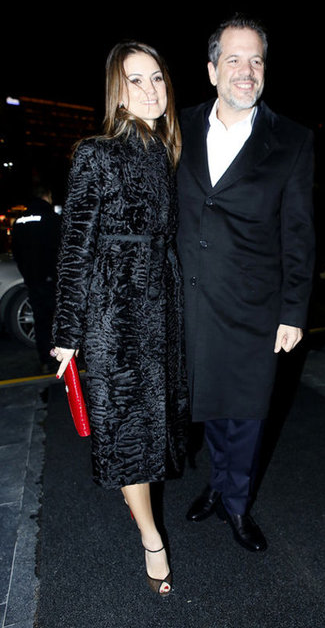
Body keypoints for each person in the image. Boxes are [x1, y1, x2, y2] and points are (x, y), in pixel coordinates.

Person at [51, 41, 188, 596]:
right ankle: (152, 539)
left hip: (161, 309)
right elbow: (75, 246)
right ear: (118, 90)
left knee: (154, 428)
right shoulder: (97, 153)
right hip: (115, 313)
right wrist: (67, 334)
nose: (151, 90)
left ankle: (141, 505)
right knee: (131, 433)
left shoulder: (166, 153)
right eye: (137, 80)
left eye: (157, 78)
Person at [176, 15, 315, 552]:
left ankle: (235, 502)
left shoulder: (292, 140)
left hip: (257, 305)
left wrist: (293, 310)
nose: (246, 71)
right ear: (212, 70)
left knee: (248, 411)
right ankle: (217, 482)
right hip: (191, 300)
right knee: (209, 403)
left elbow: (298, 233)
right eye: (233, 59)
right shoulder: (178, 127)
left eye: (256, 60)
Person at [11, 185, 61, 373]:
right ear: (47, 196)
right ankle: (62, 358)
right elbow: (61, 248)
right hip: (52, 278)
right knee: (57, 319)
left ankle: (46, 359)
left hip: (33, 279)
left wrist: (27, 273)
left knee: (41, 321)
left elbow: (16, 251)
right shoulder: (52, 218)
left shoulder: (20, 220)